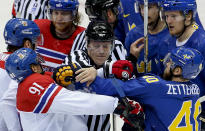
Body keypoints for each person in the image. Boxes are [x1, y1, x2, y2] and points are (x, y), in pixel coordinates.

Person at [74, 47, 204, 131]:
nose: (166, 64)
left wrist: (94, 76)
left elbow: (114, 89)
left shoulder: (156, 86)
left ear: (177, 70)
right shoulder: (195, 89)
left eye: (170, 62)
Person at [5, 47, 119, 131]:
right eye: (38, 63)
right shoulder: (32, 85)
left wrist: (101, 71)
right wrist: (115, 105)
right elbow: (77, 102)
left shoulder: (28, 83)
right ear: (33, 68)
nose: (41, 65)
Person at [158, 1, 205, 129]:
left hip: (197, 117)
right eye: (166, 16)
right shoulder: (167, 41)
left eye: (173, 16)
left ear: (188, 16)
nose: (169, 21)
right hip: (174, 116)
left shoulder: (202, 43)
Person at [0, 18, 42, 131]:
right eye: (35, 41)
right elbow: (7, 104)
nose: (37, 44)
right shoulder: (23, 69)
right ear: (27, 44)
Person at [34, 0, 85, 72]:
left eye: (64, 14)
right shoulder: (38, 27)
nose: (59, 18)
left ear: (74, 14)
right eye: (56, 13)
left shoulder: (83, 37)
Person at [124, 0, 171, 77]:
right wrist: (131, 59)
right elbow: (125, 74)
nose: (143, 12)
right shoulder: (133, 35)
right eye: (141, 8)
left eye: (148, 8)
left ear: (161, 8)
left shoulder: (172, 36)